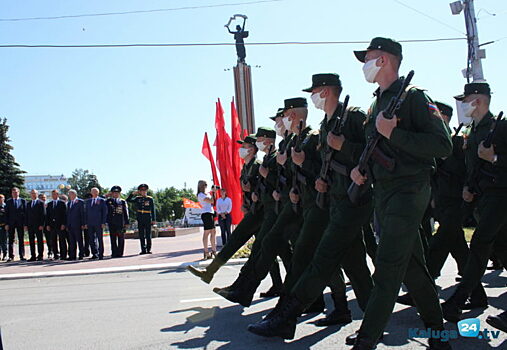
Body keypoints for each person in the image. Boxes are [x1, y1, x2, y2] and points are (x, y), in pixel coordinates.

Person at [248, 74, 374, 338]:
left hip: (353, 202)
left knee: (321, 259)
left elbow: (372, 152)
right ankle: (371, 321)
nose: (313, 96)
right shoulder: (326, 125)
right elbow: (324, 167)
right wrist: (315, 176)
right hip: (332, 202)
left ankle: (287, 316)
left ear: (326, 91)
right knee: (356, 268)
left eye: (315, 91)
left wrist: (344, 148)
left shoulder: (352, 117)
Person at [348, 37, 452, 350]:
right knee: (413, 267)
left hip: (410, 188)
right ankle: (438, 333)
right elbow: (373, 149)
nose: (364, 65)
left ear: (384, 60)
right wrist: (360, 171)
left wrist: (394, 132)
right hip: (384, 192)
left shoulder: (414, 98)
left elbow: (442, 146)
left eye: (368, 58)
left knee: (389, 262)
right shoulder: (375, 103)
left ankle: (368, 337)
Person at [441, 82, 507, 323]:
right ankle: (472, 298)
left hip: (500, 195)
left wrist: (496, 157)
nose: (464, 104)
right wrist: (468, 188)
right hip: (481, 198)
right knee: (501, 248)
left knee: (480, 243)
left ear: (478, 100)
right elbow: (472, 166)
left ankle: (457, 301)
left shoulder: (501, 127)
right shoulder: (473, 130)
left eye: (466, 99)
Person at [127, 184, 156, 255]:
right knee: (141, 234)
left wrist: (154, 219)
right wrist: (132, 194)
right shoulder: (138, 198)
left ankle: (148, 249)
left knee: (148, 234)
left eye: (145, 190)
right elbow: (128, 200)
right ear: (139, 191)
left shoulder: (150, 199)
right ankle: (143, 249)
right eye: (142, 191)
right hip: (140, 218)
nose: (143, 192)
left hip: (148, 217)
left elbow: (153, 209)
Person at [85, 187, 108, 260]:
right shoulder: (88, 201)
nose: (94, 193)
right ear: (91, 193)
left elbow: (104, 212)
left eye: (95, 192)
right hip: (90, 223)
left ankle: (101, 254)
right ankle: (94, 253)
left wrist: (103, 222)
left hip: (99, 223)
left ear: (98, 193)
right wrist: (85, 223)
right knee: (92, 239)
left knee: (100, 239)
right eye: (93, 192)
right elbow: (86, 213)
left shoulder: (102, 201)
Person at [106, 186, 129, 258]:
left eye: (117, 193)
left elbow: (126, 212)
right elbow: (100, 200)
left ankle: (120, 252)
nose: (115, 194)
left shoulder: (122, 201)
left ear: (119, 193)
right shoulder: (108, 201)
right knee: (112, 238)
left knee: (121, 238)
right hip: (111, 222)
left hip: (120, 222)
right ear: (111, 193)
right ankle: (114, 252)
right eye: (114, 193)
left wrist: (127, 222)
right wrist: (106, 195)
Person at [5, 187, 27, 261]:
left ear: (19, 192)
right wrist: (7, 224)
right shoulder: (8, 202)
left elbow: (25, 213)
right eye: (13, 192)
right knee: (11, 240)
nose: (15, 193)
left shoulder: (23, 201)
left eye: (16, 192)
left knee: (21, 239)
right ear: (11, 193)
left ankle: (22, 255)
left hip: (20, 223)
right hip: (11, 223)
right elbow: (6, 214)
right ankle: (11, 256)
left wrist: (25, 224)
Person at [197, 180, 217, 259]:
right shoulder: (200, 195)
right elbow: (211, 200)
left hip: (211, 213)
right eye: (204, 185)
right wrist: (213, 193)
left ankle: (213, 250)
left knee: (213, 231)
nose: (205, 186)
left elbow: (213, 202)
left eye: (206, 184)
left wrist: (213, 193)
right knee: (207, 232)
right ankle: (206, 251)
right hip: (206, 214)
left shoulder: (207, 194)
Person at [45, 189, 67, 260]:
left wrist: (64, 224)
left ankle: (63, 255)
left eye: (55, 194)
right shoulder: (49, 204)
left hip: (60, 225)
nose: (54, 195)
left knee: (62, 240)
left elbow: (64, 215)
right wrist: (47, 225)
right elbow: (47, 215)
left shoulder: (62, 203)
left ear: (58, 195)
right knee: (53, 241)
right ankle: (56, 255)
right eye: (53, 194)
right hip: (52, 225)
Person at [25, 189, 45, 261]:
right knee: (31, 241)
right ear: (30, 194)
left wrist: (42, 224)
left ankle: (40, 255)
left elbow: (43, 215)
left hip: (38, 225)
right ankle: (33, 255)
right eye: (32, 193)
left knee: (40, 240)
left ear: (37, 194)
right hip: (30, 225)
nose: (33, 194)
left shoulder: (41, 203)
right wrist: (26, 225)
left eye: (35, 193)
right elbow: (26, 215)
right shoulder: (28, 204)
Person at [66, 189, 85, 260]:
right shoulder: (69, 203)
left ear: (74, 194)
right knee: (72, 241)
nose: (69, 196)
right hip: (70, 225)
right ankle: (72, 255)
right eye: (69, 194)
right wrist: (67, 225)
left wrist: (83, 223)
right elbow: (68, 215)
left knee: (79, 240)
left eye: (70, 194)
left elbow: (82, 213)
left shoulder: (80, 202)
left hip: (78, 224)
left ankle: (81, 254)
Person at [38, 193, 52, 259]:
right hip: (39, 225)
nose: (43, 199)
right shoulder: (37, 205)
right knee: (40, 240)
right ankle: (40, 254)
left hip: (47, 225)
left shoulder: (48, 205)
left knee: (49, 239)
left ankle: (50, 252)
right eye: (41, 197)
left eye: (44, 197)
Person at [0, 194, 7, 260]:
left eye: (1, 198)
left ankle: (5, 254)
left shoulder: (6, 206)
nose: (0, 199)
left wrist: (7, 224)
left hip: (3, 226)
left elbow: (7, 216)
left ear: (4, 199)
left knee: (4, 241)